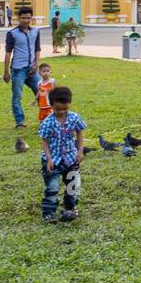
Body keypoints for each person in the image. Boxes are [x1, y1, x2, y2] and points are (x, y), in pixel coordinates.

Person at [38, 85, 85, 223]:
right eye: (57, 109)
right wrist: (49, 159)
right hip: (53, 160)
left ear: (69, 104)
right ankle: (49, 212)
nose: (61, 112)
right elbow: (44, 141)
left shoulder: (74, 118)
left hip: (71, 158)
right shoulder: (48, 122)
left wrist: (80, 151)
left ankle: (70, 208)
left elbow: (80, 133)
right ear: (51, 105)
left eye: (65, 108)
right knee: (52, 187)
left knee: (73, 185)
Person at [3, 8, 42, 130]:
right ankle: (20, 121)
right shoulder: (12, 33)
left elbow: (37, 49)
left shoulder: (35, 31)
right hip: (18, 69)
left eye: (29, 18)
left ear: (31, 18)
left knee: (42, 93)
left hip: (32, 69)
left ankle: (46, 118)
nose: (26, 20)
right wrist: (6, 72)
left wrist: (36, 64)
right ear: (19, 18)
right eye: (24, 18)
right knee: (17, 96)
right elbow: (8, 53)